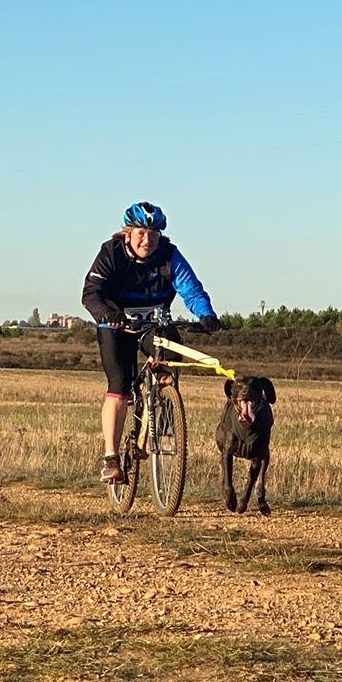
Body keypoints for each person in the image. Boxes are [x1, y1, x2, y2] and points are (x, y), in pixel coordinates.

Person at [81, 201, 220, 483]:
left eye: (153, 235)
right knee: (119, 386)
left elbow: (191, 289)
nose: (147, 240)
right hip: (116, 325)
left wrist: (206, 314)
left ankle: (165, 419)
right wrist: (108, 314)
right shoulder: (111, 253)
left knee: (168, 360)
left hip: (154, 324)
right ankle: (111, 458)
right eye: (141, 233)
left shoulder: (169, 256)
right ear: (128, 234)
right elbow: (91, 293)